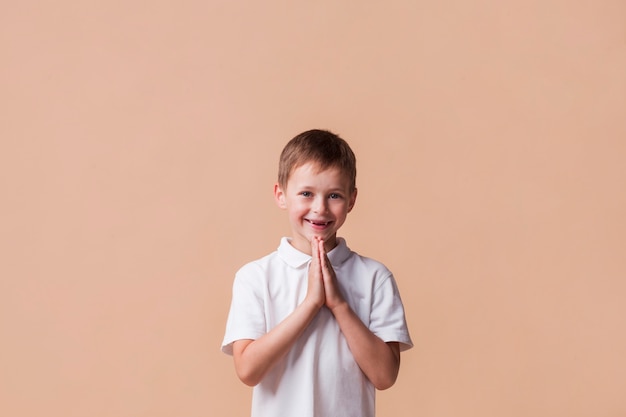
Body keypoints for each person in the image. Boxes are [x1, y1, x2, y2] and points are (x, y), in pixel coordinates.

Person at [221, 129, 413, 417]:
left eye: (334, 195)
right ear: (281, 194)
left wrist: (339, 304)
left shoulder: (375, 277)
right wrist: (311, 304)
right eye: (306, 194)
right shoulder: (256, 276)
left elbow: (385, 376)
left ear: (351, 200)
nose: (319, 208)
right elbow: (248, 370)